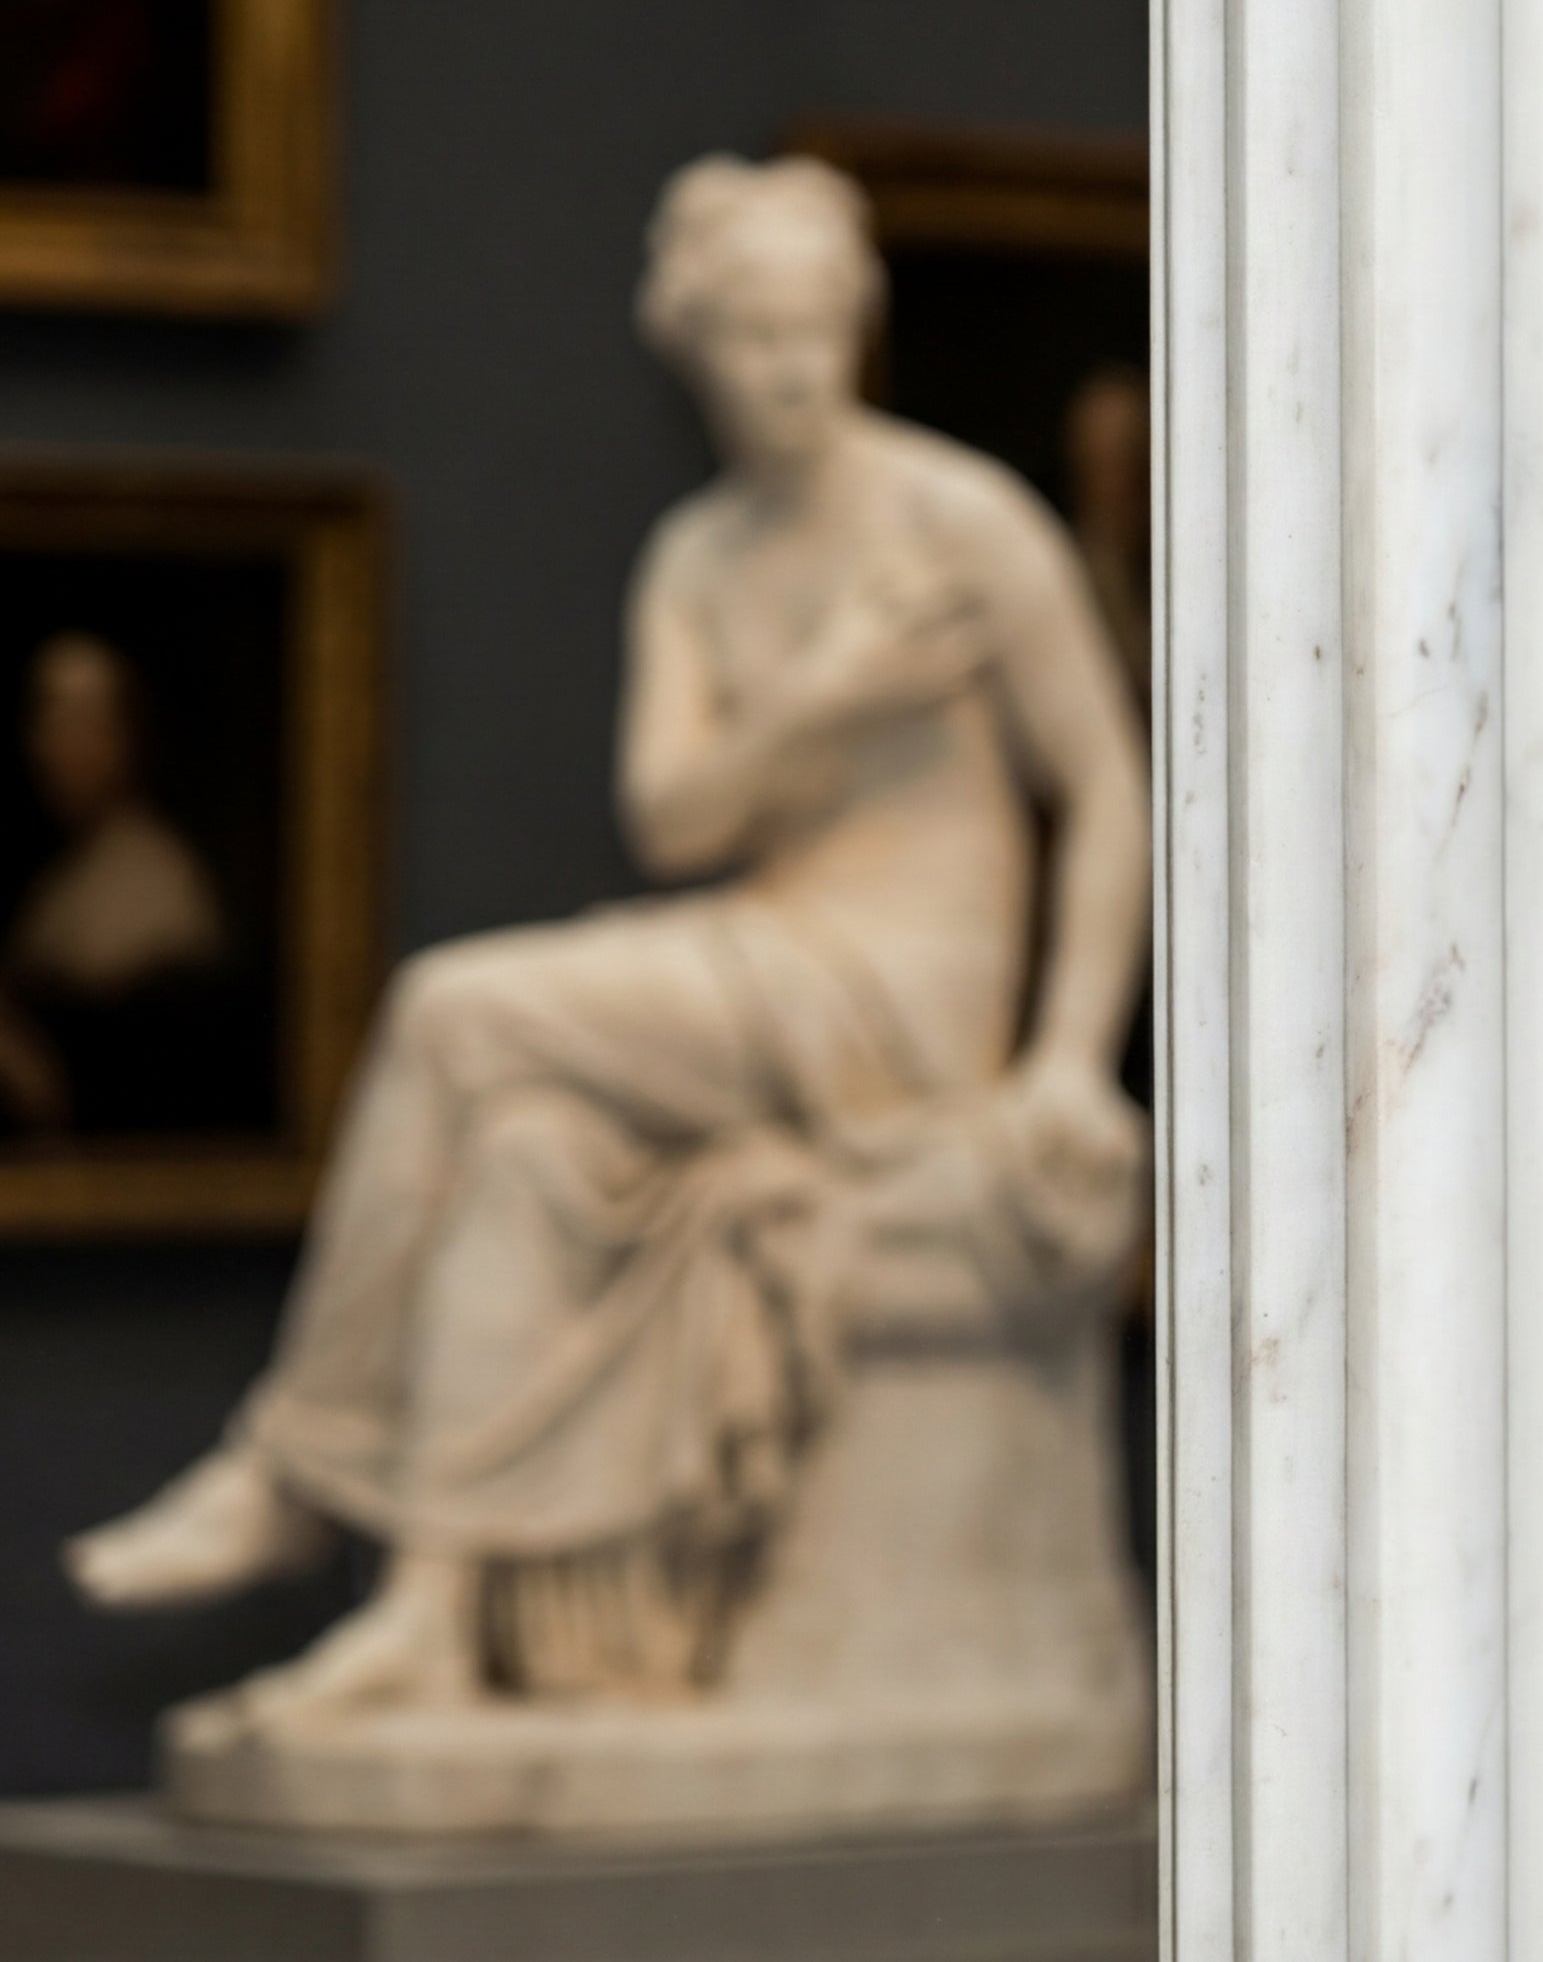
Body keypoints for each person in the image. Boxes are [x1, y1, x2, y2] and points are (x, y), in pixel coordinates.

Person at [58, 154, 1148, 1725]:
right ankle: (431, 1611)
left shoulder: (958, 519)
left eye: (816, 332)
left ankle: (292, 1469)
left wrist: (1064, 1061)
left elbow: (1110, 787)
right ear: (697, 350)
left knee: (452, 1010)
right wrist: (827, 695)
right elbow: (673, 816)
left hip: (904, 994)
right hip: (772, 944)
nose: (790, 369)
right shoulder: (699, 554)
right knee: (528, 1150)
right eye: (755, 337)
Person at [0, 629, 247, 1138]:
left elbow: (105, 1092)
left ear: (129, 734)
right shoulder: (59, 879)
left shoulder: (162, 879)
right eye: (47, 718)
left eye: (82, 720)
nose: (55, 745)